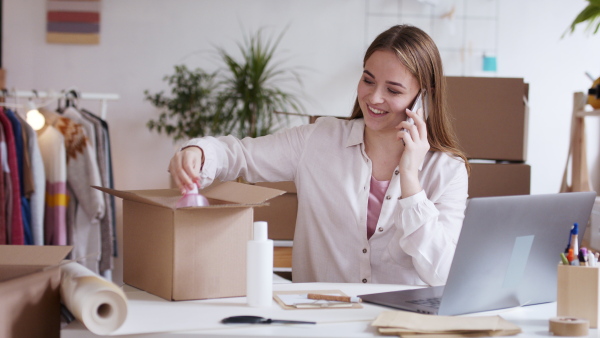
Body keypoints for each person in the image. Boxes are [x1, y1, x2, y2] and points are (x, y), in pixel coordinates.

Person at [168, 24, 469, 286]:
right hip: (320, 317)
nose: (374, 98)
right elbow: (241, 156)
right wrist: (199, 151)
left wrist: (412, 183)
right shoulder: (317, 140)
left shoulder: (448, 171)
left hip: (402, 324)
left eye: (393, 89)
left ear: (423, 98)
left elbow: (442, 274)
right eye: (368, 80)